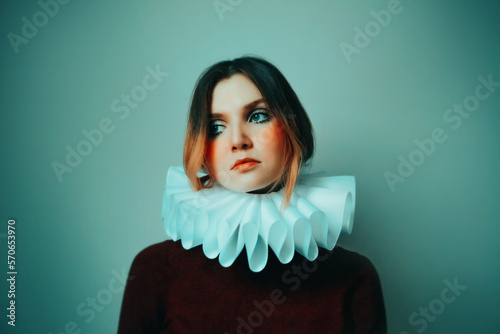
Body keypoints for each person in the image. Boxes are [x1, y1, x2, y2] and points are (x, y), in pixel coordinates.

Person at [117, 56, 387, 333]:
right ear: (200, 147)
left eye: (258, 116)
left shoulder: (354, 277)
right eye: (216, 128)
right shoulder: (154, 270)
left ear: (293, 127)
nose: (238, 141)